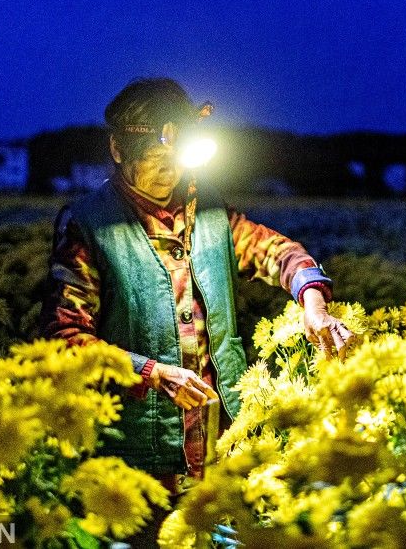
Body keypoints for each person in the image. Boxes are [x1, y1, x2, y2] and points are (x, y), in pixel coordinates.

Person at [37, 77, 354, 546]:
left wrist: (314, 305)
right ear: (118, 151)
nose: (170, 174)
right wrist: (151, 372)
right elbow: (64, 338)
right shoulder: (89, 223)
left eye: (179, 161)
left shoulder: (209, 211)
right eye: (156, 161)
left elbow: (278, 253)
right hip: (137, 464)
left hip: (222, 451)